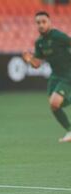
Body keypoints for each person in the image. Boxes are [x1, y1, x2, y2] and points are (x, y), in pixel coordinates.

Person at [23, 11, 71, 143]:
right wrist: (29, 59)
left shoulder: (58, 36)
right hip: (55, 75)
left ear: (49, 22)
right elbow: (37, 64)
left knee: (55, 102)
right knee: (54, 106)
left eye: (44, 22)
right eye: (38, 22)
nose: (41, 25)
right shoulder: (39, 42)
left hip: (68, 73)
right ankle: (70, 130)